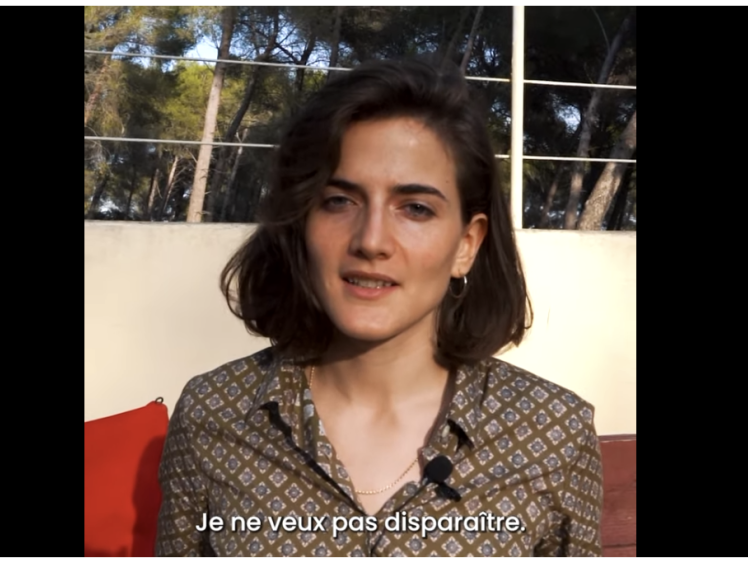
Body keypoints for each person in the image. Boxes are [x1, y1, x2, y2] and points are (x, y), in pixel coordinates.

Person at [155, 57, 603, 557]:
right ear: (301, 222)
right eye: (339, 201)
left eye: (416, 208)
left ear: (467, 245)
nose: (371, 241)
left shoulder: (554, 433)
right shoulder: (213, 414)